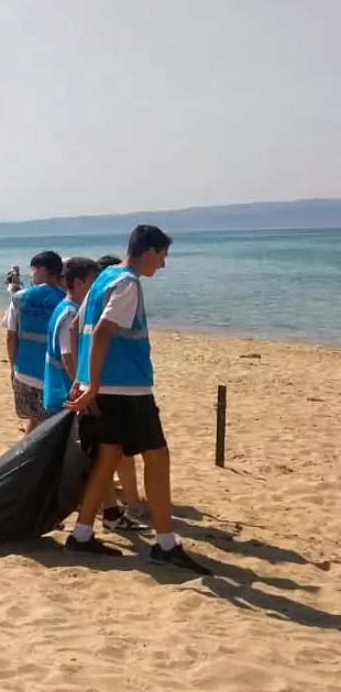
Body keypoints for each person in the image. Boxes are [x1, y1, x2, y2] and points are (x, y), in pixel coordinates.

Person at [65, 225, 210, 574]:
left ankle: (81, 534)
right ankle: (166, 544)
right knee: (157, 458)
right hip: (126, 390)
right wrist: (92, 385)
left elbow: (75, 328)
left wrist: (81, 379)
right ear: (149, 252)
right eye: (162, 257)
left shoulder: (103, 278)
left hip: (104, 388)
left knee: (107, 458)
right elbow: (102, 331)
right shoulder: (127, 283)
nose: (163, 264)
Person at [44, 257, 146, 530]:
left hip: (66, 394)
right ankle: (114, 511)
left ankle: (110, 512)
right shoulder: (69, 313)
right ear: (79, 283)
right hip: (70, 397)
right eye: (93, 282)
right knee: (103, 456)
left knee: (99, 457)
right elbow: (68, 355)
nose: (97, 288)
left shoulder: (66, 309)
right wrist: (84, 386)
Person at [2, 251, 65, 434]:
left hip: (23, 371)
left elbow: (11, 336)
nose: (31, 274)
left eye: (33, 270)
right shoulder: (66, 300)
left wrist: (13, 366)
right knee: (49, 427)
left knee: (34, 418)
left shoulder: (20, 297)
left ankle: (27, 447)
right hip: (51, 375)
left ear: (43, 270)